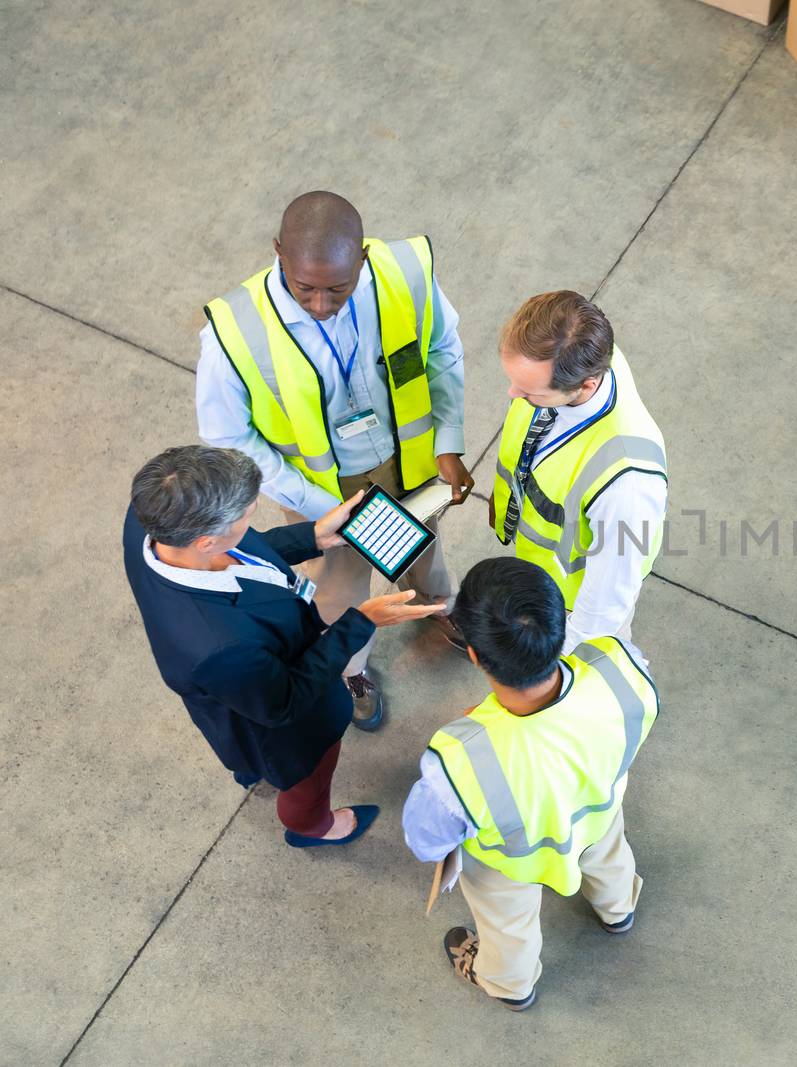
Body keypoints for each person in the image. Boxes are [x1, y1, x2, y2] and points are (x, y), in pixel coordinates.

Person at [196, 190, 472, 731]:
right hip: (320, 484)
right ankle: (350, 670)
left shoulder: (405, 276)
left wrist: (448, 441)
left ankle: (440, 606)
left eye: (337, 290)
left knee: (421, 542)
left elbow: (442, 349)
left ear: (363, 258)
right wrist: (321, 505)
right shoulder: (233, 330)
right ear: (278, 252)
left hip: (405, 458)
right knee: (340, 587)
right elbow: (228, 438)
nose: (321, 305)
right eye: (305, 289)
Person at [123, 446, 444, 846]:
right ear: (205, 541)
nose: (253, 509)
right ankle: (313, 827)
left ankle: (255, 775)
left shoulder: (151, 521)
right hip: (286, 725)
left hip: (244, 684)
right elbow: (284, 703)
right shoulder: (219, 647)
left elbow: (247, 549)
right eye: (245, 513)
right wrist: (362, 622)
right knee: (307, 782)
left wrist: (314, 537)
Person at [402, 556, 659, 1010]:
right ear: (560, 622)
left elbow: (425, 841)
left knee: (508, 923)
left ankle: (509, 985)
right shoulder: (621, 663)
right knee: (608, 854)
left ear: (477, 656)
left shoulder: (457, 760)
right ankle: (618, 909)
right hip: (599, 811)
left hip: (510, 861)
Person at [488, 290, 667, 656]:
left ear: (585, 384)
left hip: (571, 606)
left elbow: (603, 607)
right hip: (539, 577)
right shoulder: (587, 352)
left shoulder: (626, 485)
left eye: (530, 392)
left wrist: (560, 663)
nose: (512, 393)